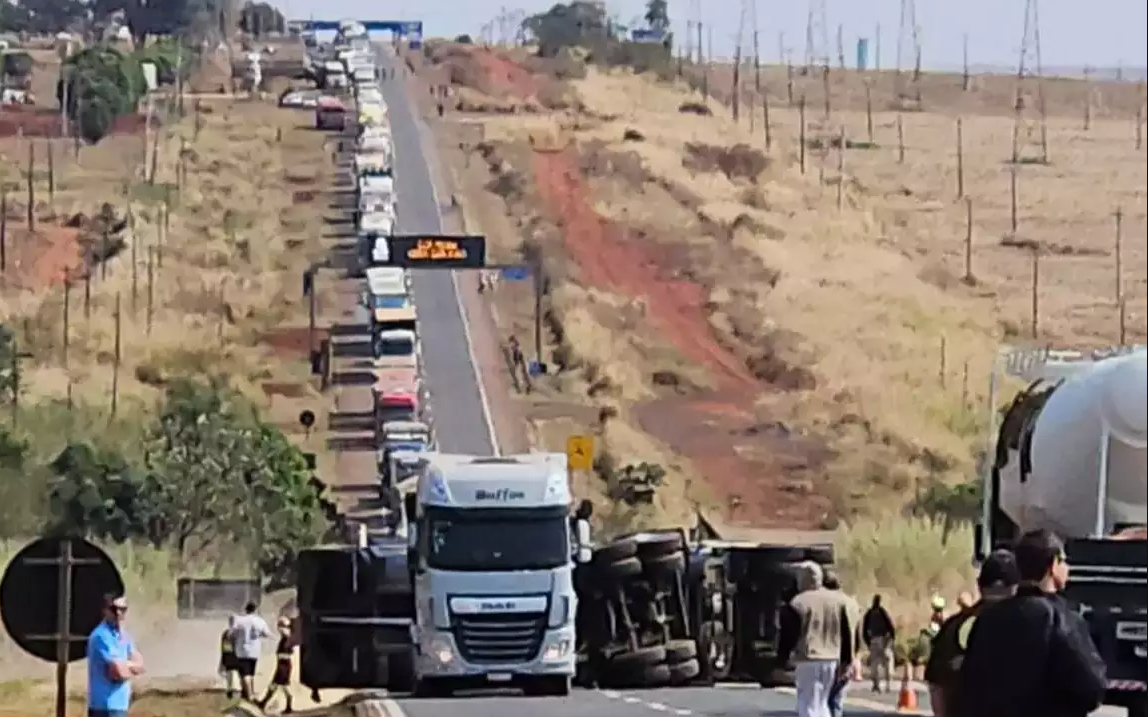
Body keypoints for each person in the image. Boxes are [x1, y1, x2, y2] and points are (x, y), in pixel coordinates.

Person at [957, 530, 1107, 717]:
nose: (1068, 567)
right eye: (1064, 561)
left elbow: (967, 687)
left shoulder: (988, 619)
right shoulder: (1062, 619)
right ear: (1053, 565)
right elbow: (1091, 688)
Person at [924, 549, 1020, 717]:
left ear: (979, 585)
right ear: (1016, 587)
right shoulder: (1031, 625)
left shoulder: (954, 627)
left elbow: (936, 685)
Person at [789, 561, 852, 717]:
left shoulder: (798, 602)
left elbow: (790, 633)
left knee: (807, 703)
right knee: (822, 702)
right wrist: (846, 660)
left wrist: (782, 658)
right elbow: (846, 632)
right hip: (831, 658)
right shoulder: (837, 601)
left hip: (807, 657)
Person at [87, 594, 145, 717]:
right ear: (105, 610)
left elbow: (140, 664)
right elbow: (119, 672)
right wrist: (130, 668)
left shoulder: (124, 636)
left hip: (120, 706)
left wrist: (125, 666)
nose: (119, 613)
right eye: (114, 609)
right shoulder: (101, 636)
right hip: (104, 708)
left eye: (123, 609)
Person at [824, 571, 861, 717]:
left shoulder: (828, 604)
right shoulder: (851, 603)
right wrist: (855, 657)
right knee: (838, 701)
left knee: (824, 700)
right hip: (848, 657)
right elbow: (855, 632)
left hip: (830, 654)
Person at [230, 601, 273, 702]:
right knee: (251, 673)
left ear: (246, 609)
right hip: (254, 651)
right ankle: (251, 693)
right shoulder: (259, 621)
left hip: (241, 650)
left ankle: (248, 695)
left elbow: (231, 634)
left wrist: (234, 642)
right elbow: (267, 634)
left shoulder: (240, 621)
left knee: (245, 674)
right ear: (255, 610)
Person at [259, 617, 296, 713]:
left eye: (279, 626)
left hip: (284, 664)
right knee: (277, 685)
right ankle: (263, 703)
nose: (278, 629)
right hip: (283, 664)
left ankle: (264, 703)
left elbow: (289, 652)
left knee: (279, 685)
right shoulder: (286, 638)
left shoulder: (286, 637)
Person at [861, 594, 896, 693]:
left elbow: (864, 630)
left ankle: (876, 685)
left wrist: (868, 642)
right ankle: (888, 684)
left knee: (875, 664)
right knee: (888, 661)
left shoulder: (869, 613)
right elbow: (891, 626)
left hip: (874, 640)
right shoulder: (882, 611)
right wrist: (891, 639)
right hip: (884, 639)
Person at [219, 615, 239, 699]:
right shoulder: (237, 632)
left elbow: (225, 647)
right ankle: (232, 689)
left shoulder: (227, 633)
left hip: (230, 654)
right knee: (236, 673)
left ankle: (230, 689)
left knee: (230, 673)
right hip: (234, 654)